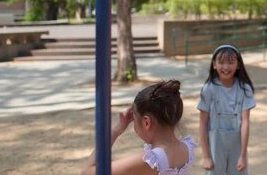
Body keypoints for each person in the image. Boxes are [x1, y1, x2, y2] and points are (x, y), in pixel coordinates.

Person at [81, 79, 197, 175]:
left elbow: (87, 172)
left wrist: (116, 130)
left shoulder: (150, 161)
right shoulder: (187, 147)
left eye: (134, 119)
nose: (134, 124)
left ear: (146, 122)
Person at [198, 45, 256, 175]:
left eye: (231, 62)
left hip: (237, 144)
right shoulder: (209, 89)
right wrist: (206, 156)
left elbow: (245, 122)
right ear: (214, 64)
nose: (226, 67)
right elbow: (202, 123)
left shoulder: (244, 89)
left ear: (238, 65)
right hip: (215, 144)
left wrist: (243, 155)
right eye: (221, 62)